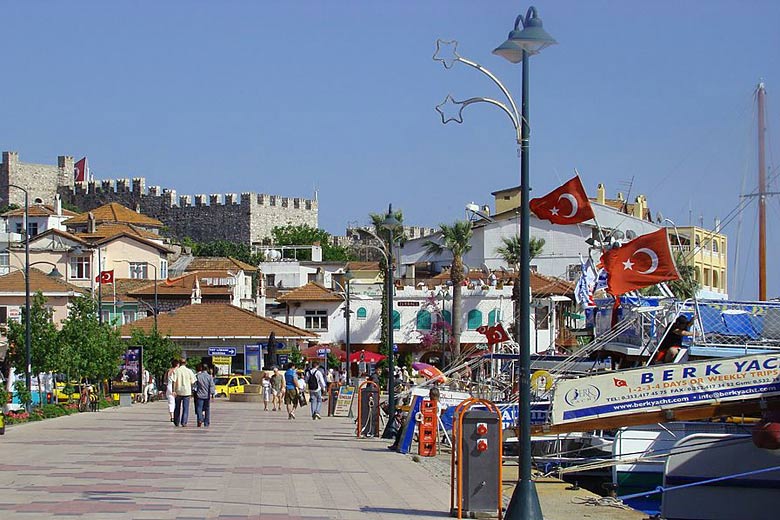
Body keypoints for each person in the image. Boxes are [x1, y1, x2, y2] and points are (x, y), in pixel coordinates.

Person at [171, 358, 196, 427]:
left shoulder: (176, 371)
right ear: (186, 363)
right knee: (186, 408)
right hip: (187, 392)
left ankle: (176, 421)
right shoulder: (189, 371)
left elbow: (173, 381)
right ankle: (184, 422)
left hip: (178, 391)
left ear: (179, 363)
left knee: (177, 407)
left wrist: (173, 390)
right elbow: (193, 381)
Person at [194, 363, 216, 427]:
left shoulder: (198, 376)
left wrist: (194, 392)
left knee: (199, 408)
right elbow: (212, 386)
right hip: (207, 395)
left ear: (201, 368)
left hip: (199, 395)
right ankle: (206, 422)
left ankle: (200, 419)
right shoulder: (209, 377)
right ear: (207, 369)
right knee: (207, 409)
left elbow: (195, 386)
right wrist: (212, 394)